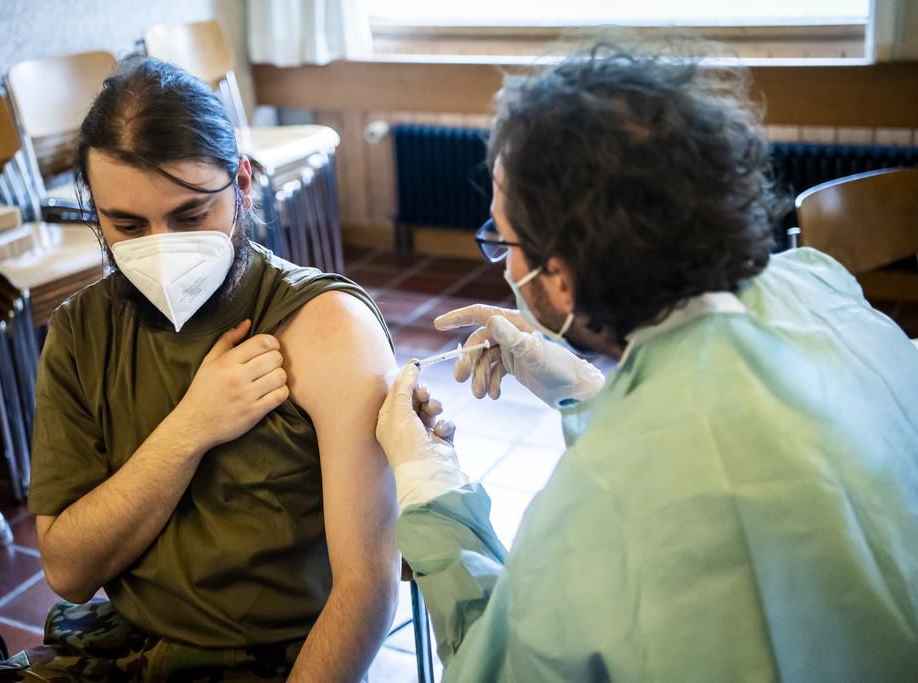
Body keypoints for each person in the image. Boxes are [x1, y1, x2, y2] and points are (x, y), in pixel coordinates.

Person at [377, 42, 918, 681]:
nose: (506, 267)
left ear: (562, 279)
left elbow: (494, 669)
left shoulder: (603, 499)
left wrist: (429, 487)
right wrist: (587, 389)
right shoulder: (815, 284)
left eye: (506, 241)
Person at [0, 58, 399, 682]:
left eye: (191, 216)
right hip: (125, 643)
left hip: (274, 662)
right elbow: (68, 572)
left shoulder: (325, 327)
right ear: (94, 212)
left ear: (242, 185)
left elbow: (366, 586)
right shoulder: (81, 332)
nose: (163, 248)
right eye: (128, 226)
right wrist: (191, 428)